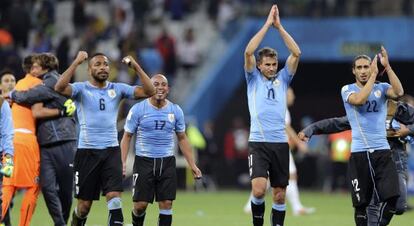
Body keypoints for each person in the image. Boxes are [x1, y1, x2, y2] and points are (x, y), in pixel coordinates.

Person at [54, 51, 155, 226]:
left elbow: (149, 91)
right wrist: (76, 62)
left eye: (106, 64)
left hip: (111, 151)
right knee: (84, 206)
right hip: (87, 152)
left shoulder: (117, 89)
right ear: (89, 69)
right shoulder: (81, 89)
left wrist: (136, 67)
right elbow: (59, 87)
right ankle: (75, 221)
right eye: (98, 64)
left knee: (114, 198)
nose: (103, 67)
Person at [298, 98, 414, 225]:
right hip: (369, 161)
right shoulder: (363, 114)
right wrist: (312, 128)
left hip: (395, 161)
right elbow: (337, 123)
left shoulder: (398, 109)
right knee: (367, 206)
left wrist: (408, 130)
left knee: (399, 204)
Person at [326, 47, 402, 226]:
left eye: (366, 67)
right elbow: (359, 100)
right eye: (359, 68)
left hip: (382, 152)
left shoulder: (382, 89)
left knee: (393, 200)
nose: (363, 71)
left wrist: (388, 67)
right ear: (353, 71)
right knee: (361, 204)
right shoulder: (347, 89)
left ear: (371, 67)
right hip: (360, 153)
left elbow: (398, 93)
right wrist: (374, 75)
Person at [243, 4, 301, 226]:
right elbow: (248, 51)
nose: (272, 67)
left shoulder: (284, 79)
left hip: (279, 143)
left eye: (274, 64)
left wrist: (279, 27)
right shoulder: (252, 79)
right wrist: (267, 24)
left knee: (279, 194)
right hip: (258, 142)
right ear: (259, 65)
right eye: (267, 64)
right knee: (258, 190)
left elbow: (296, 53)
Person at [120, 74, 202, 226]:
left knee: (166, 204)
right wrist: (123, 162)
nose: (160, 87)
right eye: (155, 84)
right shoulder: (138, 109)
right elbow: (127, 137)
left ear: (168, 89)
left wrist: (193, 165)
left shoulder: (175, 110)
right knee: (140, 206)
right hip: (144, 161)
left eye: (163, 84)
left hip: (167, 161)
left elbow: (183, 138)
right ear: (149, 88)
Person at [5, 53, 77, 226]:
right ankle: (56, 223)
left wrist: (12, 94)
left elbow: (27, 102)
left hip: (54, 140)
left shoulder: (44, 83)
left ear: (46, 67)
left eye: (37, 66)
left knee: (63, 190)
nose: (33, 69)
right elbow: (37, 111)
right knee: (42, 187)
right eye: (33, 67)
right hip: (41, 142)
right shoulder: (40, 84)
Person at [243, 88, 315, 216]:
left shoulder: (279, 107)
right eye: (291, 94)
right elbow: (286, 127)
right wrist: (299, 143)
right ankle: (297, 207)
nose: (293, 97)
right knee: (286, 175)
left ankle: (250, 204)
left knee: (276, 177)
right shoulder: (281, 107)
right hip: (278, 147)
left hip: (278, 146)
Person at [1, 54, 51, 226]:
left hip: (10, 142)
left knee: (8, 186)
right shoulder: (38, 84)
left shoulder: (19, 86)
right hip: (26, 140)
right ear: (34, 69)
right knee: (33, 187)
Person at [0, 70, 15, 226]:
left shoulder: (2, 104)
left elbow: (7, 133)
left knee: (5, 200)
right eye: (6, 80)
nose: (10, 83)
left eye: (12, 80)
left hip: (4, 154)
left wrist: (8, 159)